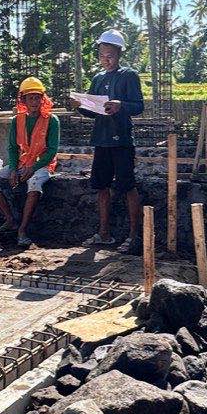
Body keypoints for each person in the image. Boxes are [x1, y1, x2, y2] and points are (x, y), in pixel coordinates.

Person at [72, 28, 145, 253]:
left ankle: (135, 236)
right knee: (101, 187)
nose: (106, 60)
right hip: (102, 141)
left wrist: (121, 105)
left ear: (119, 53)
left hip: (121, 141)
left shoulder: (128, 76)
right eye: (102, 55)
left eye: (110, 55)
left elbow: (139, 106)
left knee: (127, 187)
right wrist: (81, 106)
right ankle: (104, 234)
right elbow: (94, 111)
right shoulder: (97, 78)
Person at [0, 77, 60, 247]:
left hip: (42, 164)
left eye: (37, 97)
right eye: (30, 97)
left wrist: (33, 168)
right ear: (24, 100)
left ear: (43, 99)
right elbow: (12, 148)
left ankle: (22, 230)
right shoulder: (17, 120)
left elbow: (51, 151)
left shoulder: (52, 120)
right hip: (21, 163)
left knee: (34, 185)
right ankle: (10, 219)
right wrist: (13, 169)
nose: (34, 101)